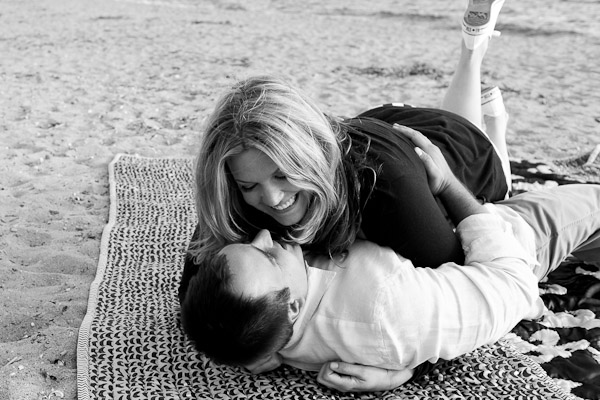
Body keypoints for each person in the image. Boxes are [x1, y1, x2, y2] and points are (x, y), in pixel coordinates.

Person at [179, 125, 600, 391]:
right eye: (268, 256)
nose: (267, 234)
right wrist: (453, 190)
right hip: (506, 240)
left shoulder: (257, 332)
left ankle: (489, 130)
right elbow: (510, 283)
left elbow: (247, 351)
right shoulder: (391, 311)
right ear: (290, 304)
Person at [187, 0, 510, 269]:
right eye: (249, 186)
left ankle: (476, 64)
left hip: (450, 146)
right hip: (374, 123)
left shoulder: (384, 188)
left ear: (311, 154)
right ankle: (474, 58)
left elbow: (459, 268)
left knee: (494, 165)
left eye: (284, 174)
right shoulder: (234, 177)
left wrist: (449, 184)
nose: (270, 198)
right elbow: (195, 291)